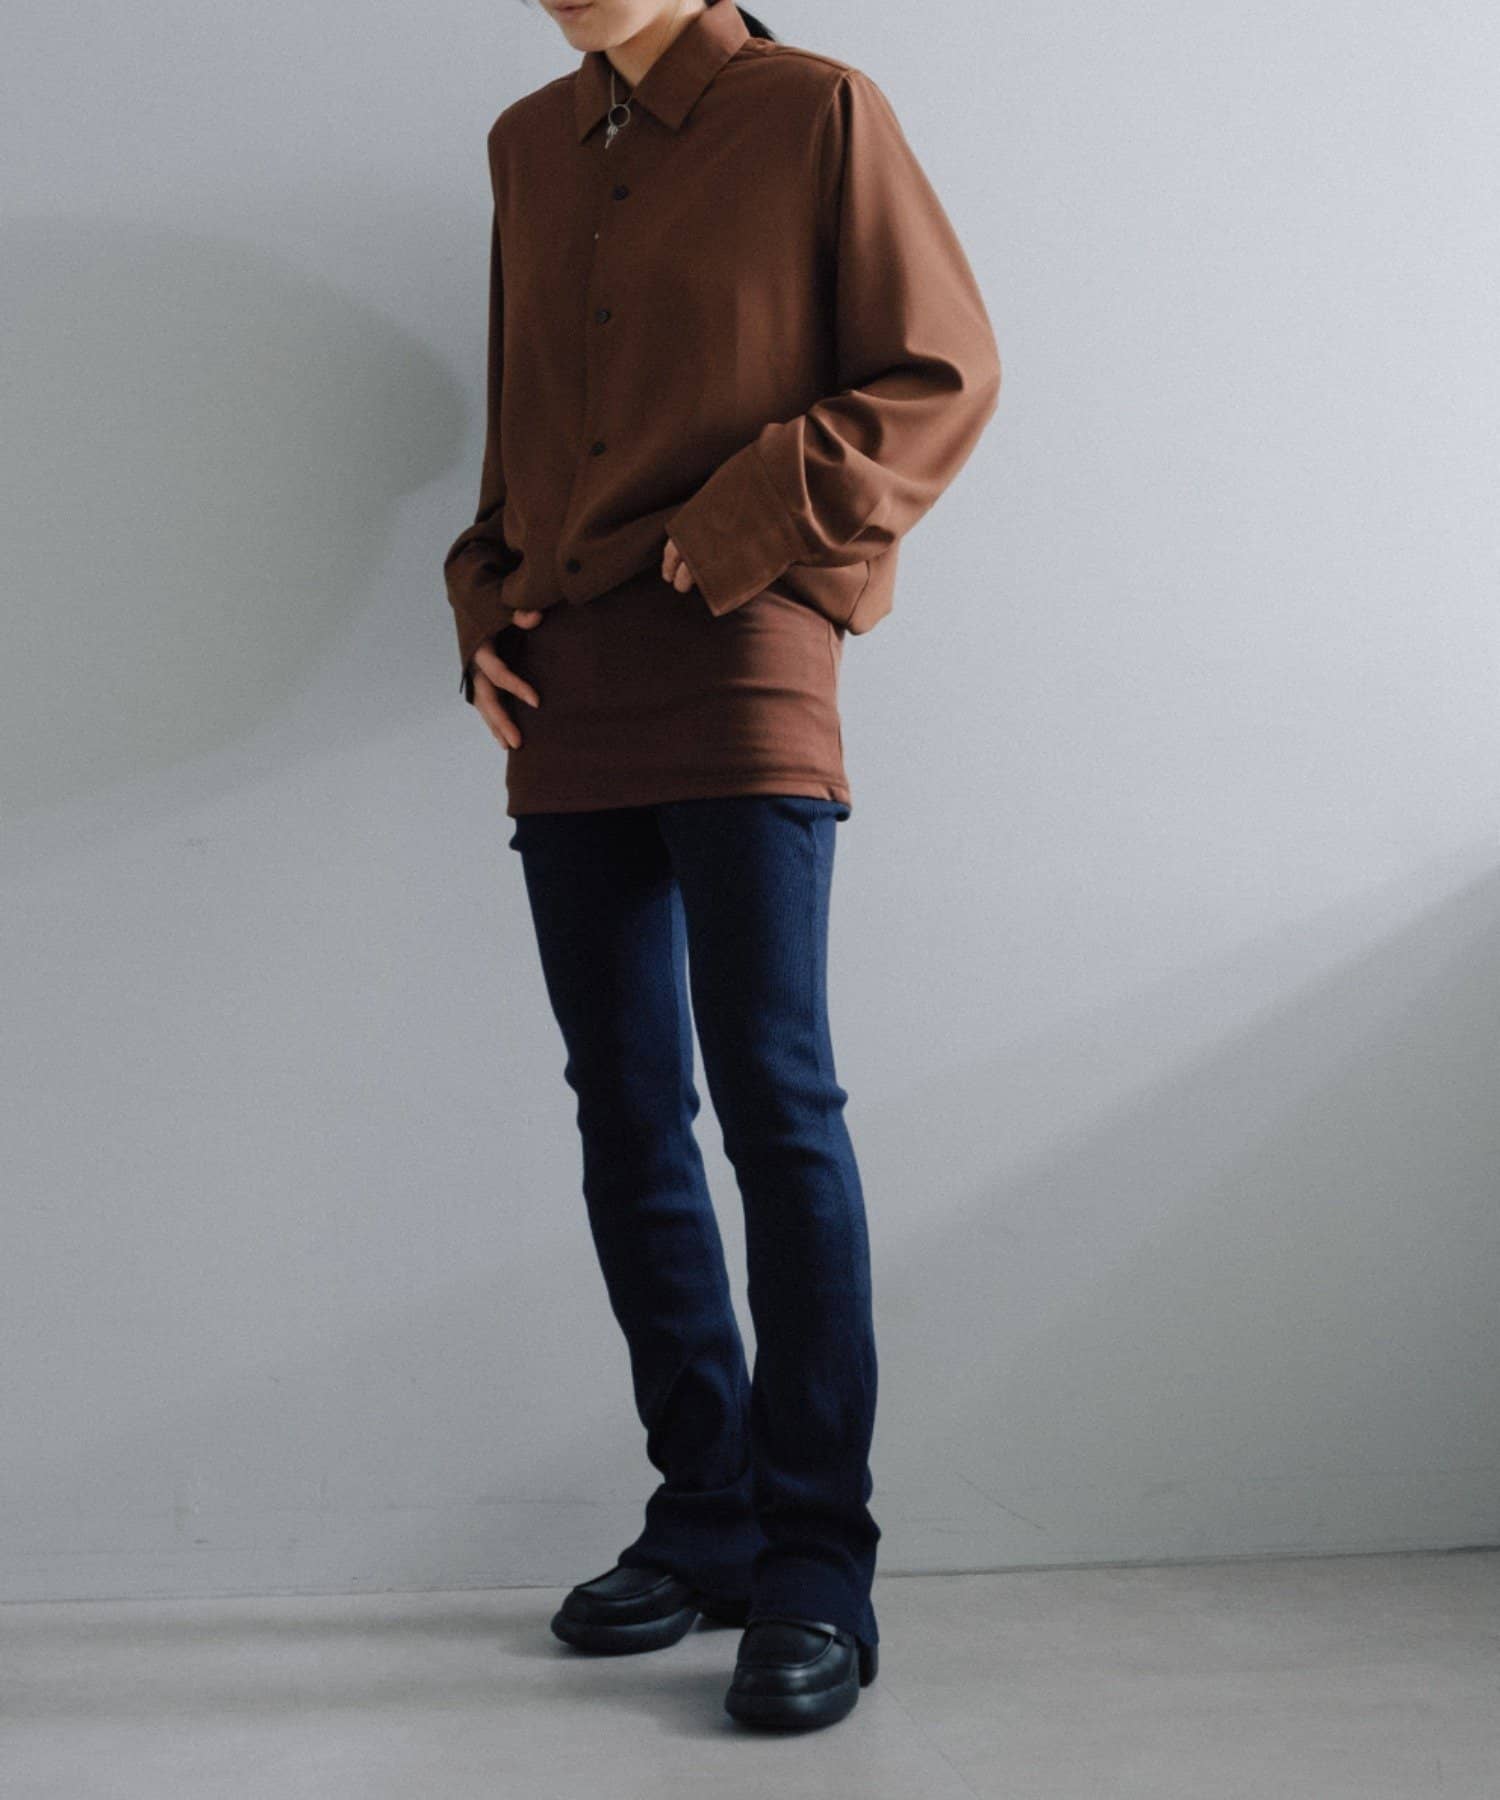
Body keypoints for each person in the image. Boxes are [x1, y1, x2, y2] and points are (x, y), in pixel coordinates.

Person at [441, 0, 1001, 1734]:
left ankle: (818, 1559)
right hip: (568, 679)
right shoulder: (529, 146)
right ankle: (707, 1511)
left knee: (775, 1095)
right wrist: (482, 600)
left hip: (743, 647)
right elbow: (524, 418)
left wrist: (744, 521)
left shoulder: (816, 111)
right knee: (623, 1103)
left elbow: (939, 373)